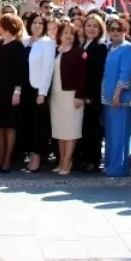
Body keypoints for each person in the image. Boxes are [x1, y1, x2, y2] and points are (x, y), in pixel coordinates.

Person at [0, 13, 28, 173]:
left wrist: (17, 91)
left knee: (10, 127)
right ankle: (0, 156)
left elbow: (21, 72)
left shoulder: (18, 47)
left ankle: (7, 159)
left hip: (11, 91)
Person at [101, 19, 131, 177]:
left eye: (119, 29)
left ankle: (119, 168)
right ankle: (110, 165)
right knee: (111, 134)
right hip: (108, 99)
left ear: (124, 30)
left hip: (121, 99)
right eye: (112, 29)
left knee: (120, 134)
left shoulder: (127, 48)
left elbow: (125, 73)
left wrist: (117, 94)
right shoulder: (110, 48)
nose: (115, 32)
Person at [51, 22, 86, 175]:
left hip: (71, 95)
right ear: (59, 35)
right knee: (60, 130)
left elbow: (83, 77)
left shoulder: (80, 52)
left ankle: (67, 161)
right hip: (56, 95)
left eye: (71, 33)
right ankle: (61, 160)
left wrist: (79, 96)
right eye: (65, 32)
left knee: (71, 130)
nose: (68, 36)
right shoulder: (55, 51)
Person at [22, 14, 55, 173]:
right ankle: (30, 153)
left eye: (40, 23)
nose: (37, 25)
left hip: (39, 89)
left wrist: (42, 92)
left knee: (39, 125)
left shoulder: (47, 43)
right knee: (28, 123)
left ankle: (37, 156)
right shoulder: (25, 42)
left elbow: (48, 68)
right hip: (26, 89)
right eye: (34, 22)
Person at [80, 13, 109, 173]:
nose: (91, 29)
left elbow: (97, 73)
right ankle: (86, 157)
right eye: (89, 25)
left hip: (93, 94)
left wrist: (90, 95)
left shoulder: (100, 47)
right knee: (86, 127)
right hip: (83, 92)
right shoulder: (85, 44)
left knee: (94, 128)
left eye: (95, 26)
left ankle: (94, 159)